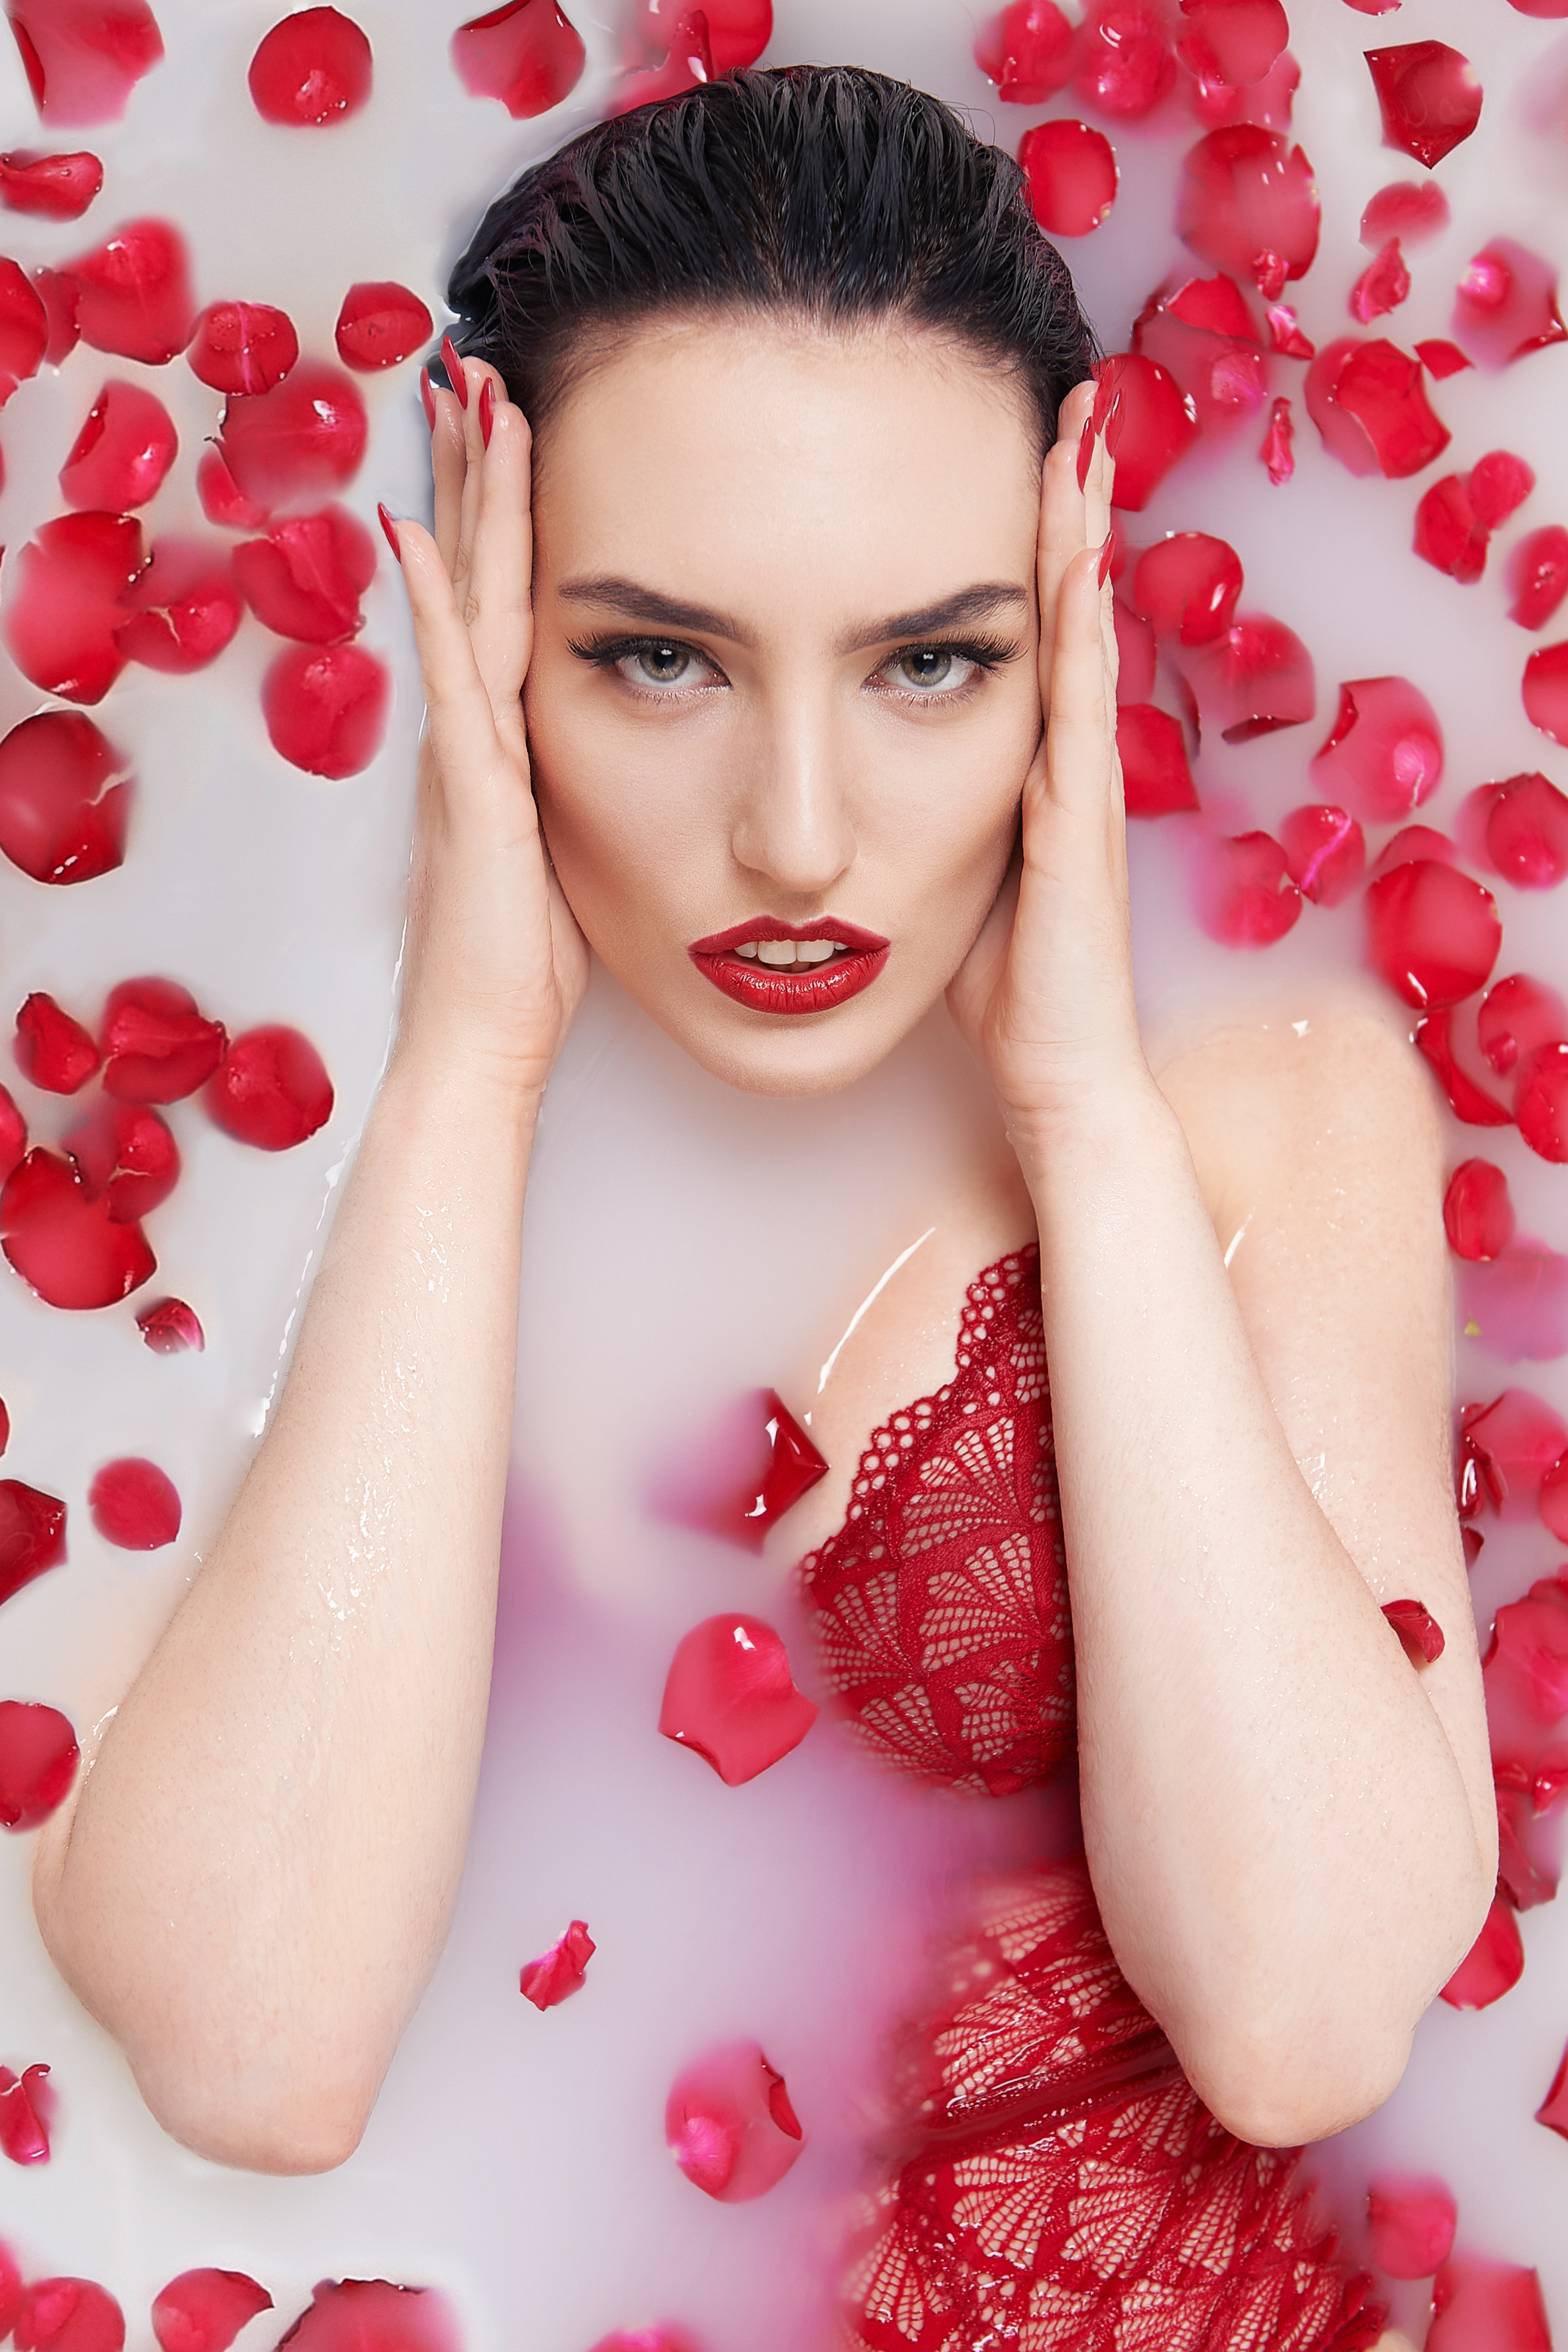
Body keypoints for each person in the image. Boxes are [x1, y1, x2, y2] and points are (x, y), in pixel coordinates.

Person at [31, 65, 1493, 2351]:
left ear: (1061, 627)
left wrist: (1082, 1107)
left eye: (933, 662)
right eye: (655, 658)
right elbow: (250, 2053)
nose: (799, 836)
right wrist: (464, 1074)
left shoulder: (1256, 1109)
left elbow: (1305, 2017)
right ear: (488, 626)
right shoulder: (230, 1174)